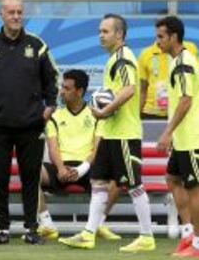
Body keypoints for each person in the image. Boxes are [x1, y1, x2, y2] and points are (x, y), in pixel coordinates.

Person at [59, 14, 155, 252]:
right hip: (111, 133)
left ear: (119, 34)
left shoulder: (123, 58)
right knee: (98, 181)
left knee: (134, 184)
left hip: (124, 134)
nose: (100, 35)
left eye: (105, 31)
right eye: (100, 31)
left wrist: (105, 111)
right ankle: (89, 234)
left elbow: (130, 90)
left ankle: (147, 236)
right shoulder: (114, 58)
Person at [0, 0, 59, 245]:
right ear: (1, 15)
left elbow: (54, 79)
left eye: (20, 12)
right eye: (11, 12)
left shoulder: (38, 46)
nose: (16, 16)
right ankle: (3, 229)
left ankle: (31, 228)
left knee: (31, 179)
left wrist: (50, 106)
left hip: (31, 126)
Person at [38, 69, 120, 241]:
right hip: (62, 166)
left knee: (116, 178)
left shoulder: (97, 114)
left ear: (80, 91)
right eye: (62, 87)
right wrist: (60, 168)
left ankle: (97, 225)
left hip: (88, 166)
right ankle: (47, 224)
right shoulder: (55, 115)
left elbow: (97, 149)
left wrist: (82, 169)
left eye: (67, 88)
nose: (61, 91)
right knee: (30, 172)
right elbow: (53, 148)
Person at [156, 16, 199, 258]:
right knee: (172, 178)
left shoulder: (183, 64)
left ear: (173, 37)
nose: (157, 42)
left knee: (195, 189)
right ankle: (188, 232)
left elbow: (186, 100)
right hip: (183, 138)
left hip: (193, 136)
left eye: (161, 37)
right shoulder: (178, 61)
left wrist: (167, 132)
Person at [138, 39, 199, 119]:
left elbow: (196, 80)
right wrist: (136, 118)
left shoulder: (190, 49)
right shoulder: (146, 53)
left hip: (181, 111)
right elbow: (142, 90)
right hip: (151, 113)